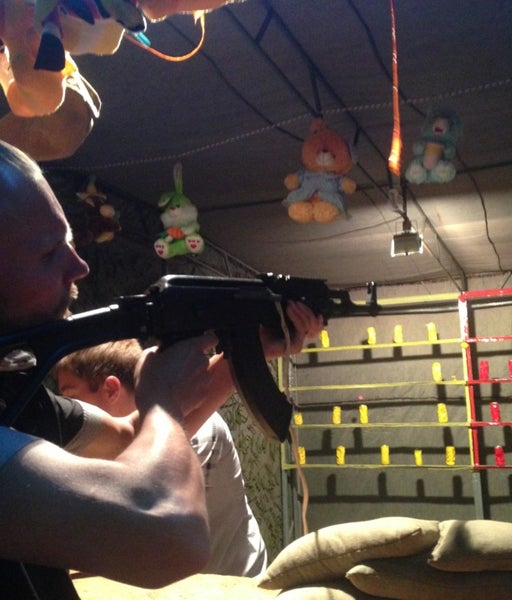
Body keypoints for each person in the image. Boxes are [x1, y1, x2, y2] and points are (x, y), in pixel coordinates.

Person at [0, 140, 322, 596]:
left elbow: (126, 438)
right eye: (48, 253)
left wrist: (241, 355)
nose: (79, 266)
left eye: (69, 242)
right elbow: (170, 534)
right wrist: (163, 402)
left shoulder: (15, 390)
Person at [55, 339, 269, 577]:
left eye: (71, 396)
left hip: (234, 584)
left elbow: (140, 520)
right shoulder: (137, 436)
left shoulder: (193, 432)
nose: (72, 409)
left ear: (111, 390)